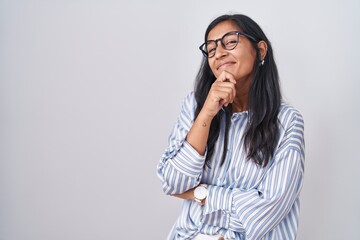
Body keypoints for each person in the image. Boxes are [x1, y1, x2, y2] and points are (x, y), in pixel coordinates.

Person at [157, 14, 305, 240]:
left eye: (230, 41)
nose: (220, 53)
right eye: (212, 48)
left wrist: (201, 194)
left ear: (261, 50)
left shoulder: (287, 122)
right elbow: (173, 181)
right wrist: (207, 112)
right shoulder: (195, 106)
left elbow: (265, 212)